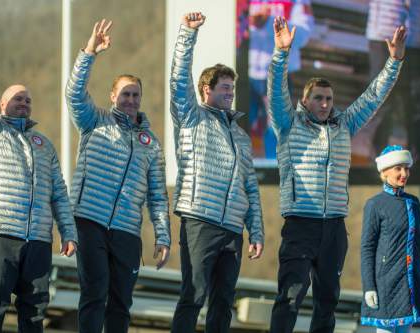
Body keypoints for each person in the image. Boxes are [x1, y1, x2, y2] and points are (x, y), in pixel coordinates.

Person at [266, 16, 406, 333]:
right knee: (289, 297)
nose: (326, 104)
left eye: (329, 99)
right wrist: (281, 53)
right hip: (300, 224)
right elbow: (276, 91)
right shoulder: (288, 125)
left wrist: (394, 62)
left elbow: (373, 96)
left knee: (327, 301)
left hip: (334, 229)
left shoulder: (345, 125)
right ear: (305, 100)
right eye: (318, 98)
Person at [0, 26, 78, 333]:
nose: (24, 103)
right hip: (0, 235)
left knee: (35, 312)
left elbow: (59, 194)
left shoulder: (43, 144)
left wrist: (68, 232)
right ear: (2, 105)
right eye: (16, 98)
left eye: (28, 99)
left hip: (38, 240)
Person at [65, 19, 171, 333]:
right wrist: (90, 52)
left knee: (121, 302)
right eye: (125, 94)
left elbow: (156, 195)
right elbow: (73, 94)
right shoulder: (93, 120)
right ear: (112, 96)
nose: (131, 100)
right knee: (94, 293)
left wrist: (163, 236)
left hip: (127, 231)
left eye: (135, 94)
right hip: (89, 221)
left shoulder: (150, 142)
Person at [169, 12, 265, 333]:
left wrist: (257, 230)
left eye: (232, 88)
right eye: (224, 87)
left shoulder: (239, 134)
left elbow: (250, 184)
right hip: (200, 220)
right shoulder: (191, 116)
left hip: (232, 230)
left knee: (224, 301)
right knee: (193, 295)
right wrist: (188, 33)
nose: (230, 93)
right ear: (205, 90)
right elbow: (178, 78)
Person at [353, 0, 420, 166]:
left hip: (418, 39)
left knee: (416, 105)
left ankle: (416, 165)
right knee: (381, 101)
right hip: (384, 37)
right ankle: (377, 163)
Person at [361, 145, 420, 333]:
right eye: (398, 168)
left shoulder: (413, 202)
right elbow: (367, 249)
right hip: (386, 286)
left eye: (406, 168)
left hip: (410, 287)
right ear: (385, 171)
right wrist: (369, 287)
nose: (404, 173)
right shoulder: (375, 205)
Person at [247, 0, 314, 158]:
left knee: (277, 130)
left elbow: (303, 35)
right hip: (243, 72)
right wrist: (252, 24)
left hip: (278, 74)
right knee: (237, 126)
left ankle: (276, 172)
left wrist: (268, 23)